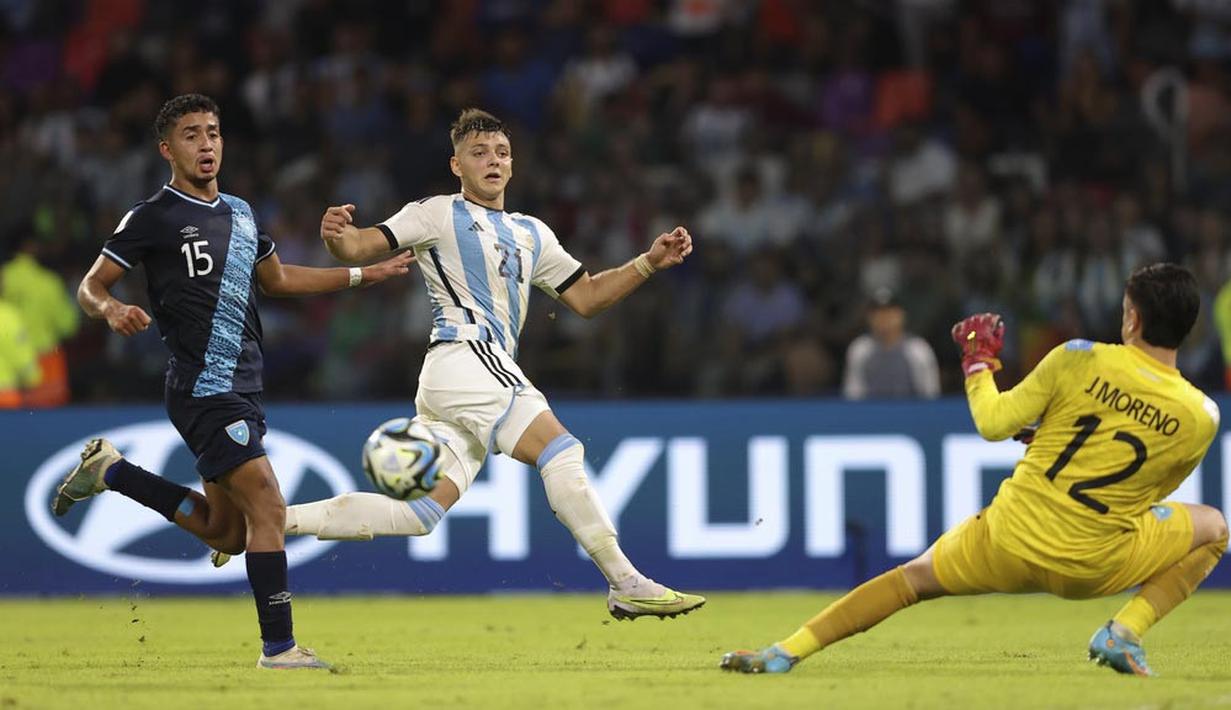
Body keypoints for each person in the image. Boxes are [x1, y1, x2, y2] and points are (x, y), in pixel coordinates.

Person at [276, 108, 704, 620]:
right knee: (561, 450)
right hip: (467, 354)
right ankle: (626, 581)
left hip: (456, 378)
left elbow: (587, 298)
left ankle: (268, 521)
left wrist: (647, 262)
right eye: (479, 153)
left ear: (513, 163)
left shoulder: (532, 233)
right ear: (456, 165)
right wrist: (334, 236)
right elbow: (359, 245)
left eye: (501, 152)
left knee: (420, 513)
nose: (493, 161)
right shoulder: (435, 212)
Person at [721, 263, 1227, 676]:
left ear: (1133, 320)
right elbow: (1143, 488)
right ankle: (1124, 632)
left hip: (1007, 539)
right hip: (1095, 567)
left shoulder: (1080, 358)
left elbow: (993, 422)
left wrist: (978, 363)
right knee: (1214, 528)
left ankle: (786, 651)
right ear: (1190, 327)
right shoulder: (1201, 416)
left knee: (909, 580)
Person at [52, 94, 413, 670]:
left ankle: (111, 470)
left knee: (226, 532)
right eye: (192, 135)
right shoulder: (152, 216)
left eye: (214, 133)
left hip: (243, 383)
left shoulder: (241, 213)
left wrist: (362, 274)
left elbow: (279, 278)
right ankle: (280, 648)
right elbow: (90, 286)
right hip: (203, 384)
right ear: (167, 149)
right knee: (268, 504)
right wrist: (111, 309)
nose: (207, 144)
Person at [842, 288, 940, 400]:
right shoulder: (860, 349)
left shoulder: (918, 349)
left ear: (901, 315)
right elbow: (853, 396)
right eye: (878, 313)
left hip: (910, 414)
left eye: (890, 312)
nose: (884, 318)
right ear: (869, 318)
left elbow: (931, 395)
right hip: (871, 414)